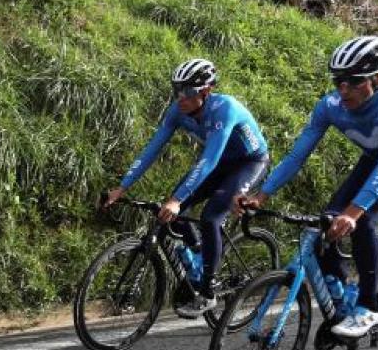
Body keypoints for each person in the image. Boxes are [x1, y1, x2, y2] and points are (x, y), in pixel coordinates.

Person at [237, 35, 378, 338]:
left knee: (364, 219)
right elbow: (298, 156)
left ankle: (369, 306)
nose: (343, 89)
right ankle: (341, 298)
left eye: (353, 81)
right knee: (327, 221)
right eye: (338, 81)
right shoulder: (331, 106)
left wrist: (353, 212)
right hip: (376, 159)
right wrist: (262, 194)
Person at [102, 59, 269, 318]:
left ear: (205, 92)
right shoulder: (178, 111)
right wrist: (122, 187)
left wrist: (177, 199)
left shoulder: (224, 109)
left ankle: (208, 290)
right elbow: (152, 149)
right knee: (175, 213)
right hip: (219, 163)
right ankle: (202, 256)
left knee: (210, 217)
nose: (180, 98)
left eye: (187, 92)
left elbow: (209, 159)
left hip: (249, 163)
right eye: (176, 91)